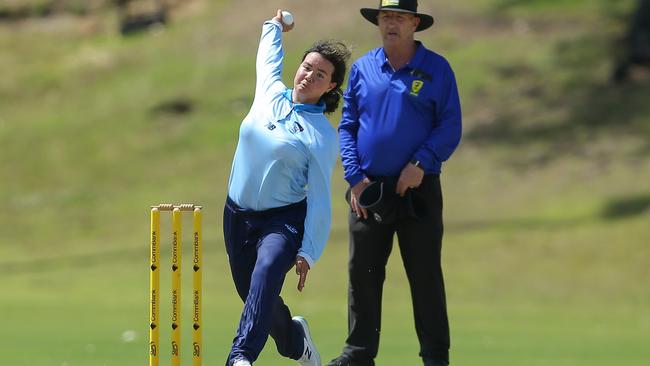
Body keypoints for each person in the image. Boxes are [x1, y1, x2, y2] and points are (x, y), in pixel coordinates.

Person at [328, 1, 462, 366]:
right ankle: (359, 354)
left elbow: (449, 126)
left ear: (415, 23)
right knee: (363, 274)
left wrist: (421, 163)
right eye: (386, 17)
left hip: (419, 188)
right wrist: (355, 179)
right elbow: (349, 125)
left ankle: (435, 356)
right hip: (369, 190)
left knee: (425, 275)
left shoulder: (436, 69)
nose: (391, 24)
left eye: (400, 17)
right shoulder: (363, 69)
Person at [223, 9, 351, 366]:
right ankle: (295, 341)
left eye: (321, 74)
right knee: (255, 295)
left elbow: (322, 199)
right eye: (307, 67)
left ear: (330, 87)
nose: (309, 76)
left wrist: (308, 251)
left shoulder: (321, 137)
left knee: (265, 273)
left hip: (282, 220)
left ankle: (240, 357)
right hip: (237, 214)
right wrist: (275, 25)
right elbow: (268, 55)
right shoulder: (270, 93)